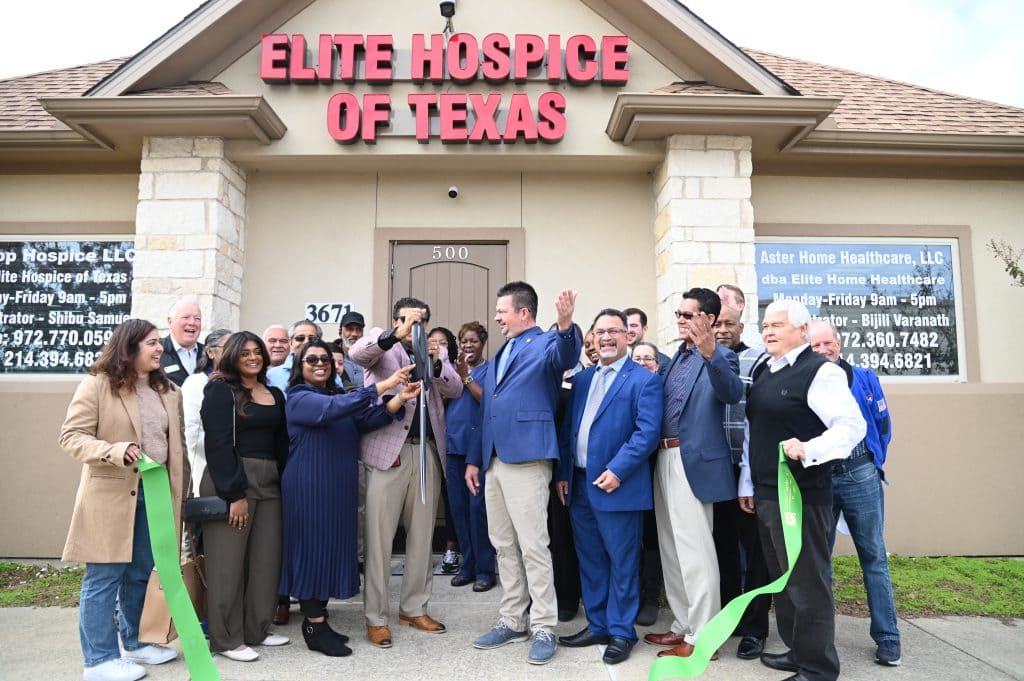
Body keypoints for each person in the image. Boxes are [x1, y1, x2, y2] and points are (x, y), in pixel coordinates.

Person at [739, 299, 866, 681]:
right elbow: (753, 433)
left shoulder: (820, 372)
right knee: (782, 579)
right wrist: (748, 482)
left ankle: (818, 667)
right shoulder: (765, 371)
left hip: (803, 495)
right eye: (765, 324)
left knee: (808, 580)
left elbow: (850, 426)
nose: (768, 331)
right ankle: (798, 651)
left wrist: (810, 450)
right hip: (766, 494)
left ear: (803, 329)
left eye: (778, 324)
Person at [59, 318, 187, 681]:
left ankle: (133, 642)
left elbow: (176, 450)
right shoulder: (97, 385)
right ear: (129, 348)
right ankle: (98, 660)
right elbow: (72, 436)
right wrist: (115, 450)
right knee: (104, 576)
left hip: (157, 494)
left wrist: (183, 494)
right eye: (151, 343)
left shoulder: (169, 391)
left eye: (158, 342)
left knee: (141, 574)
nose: (159, 348)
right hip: (112, 495)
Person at [466, 281, 582, 666]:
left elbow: (566, 354)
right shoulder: (502, 350)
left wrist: (565, 325)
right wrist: (473, 459)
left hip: (529, 458)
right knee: (502, 544)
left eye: (502, 310)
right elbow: (489, 408)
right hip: (494, 461)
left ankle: (545, 625)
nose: (497, 316)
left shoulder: (547, 343)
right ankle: (512, 619)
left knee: (534, 546)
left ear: (524, 312)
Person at [280, 339, 418, 657]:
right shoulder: (299, 397)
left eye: (325, 359)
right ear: (299, 367)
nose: (319, 363)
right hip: (310, 485)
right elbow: (333, 411)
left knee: (329, 549)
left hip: (338, 486)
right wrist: (386, 383)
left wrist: (399, 399)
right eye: (311, 359)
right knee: (314, 549)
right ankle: (313, 625)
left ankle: (321, 620)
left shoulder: (336, 395)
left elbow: (366, 420)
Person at [348, 298, 463, 649]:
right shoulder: (381, 343)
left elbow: (454, 388)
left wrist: (435, 360)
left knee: (422, 535)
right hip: (388, 453)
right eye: (409, 319)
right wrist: (393, 335)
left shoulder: (432, 349)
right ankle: (376, 618)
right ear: (396, 318)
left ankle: (413, 607)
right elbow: (357, 354)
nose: (416, 325)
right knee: (380, 540)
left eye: (421, 320)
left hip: (426, 451)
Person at [555, 309, 663, 665]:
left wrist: (618, 470)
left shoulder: (643, 380)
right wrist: (565, 474)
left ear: (627, 337)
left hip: (618, 486)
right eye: (599, 332)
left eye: (613, 331)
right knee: (591, 559)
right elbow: (571, 431)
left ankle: (621, 631)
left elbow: (646, 433)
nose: (605, 338)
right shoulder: (583, 379)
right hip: (581, 484)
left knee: (622, 561)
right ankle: (598, 623)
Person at [645, 287, 743, 660]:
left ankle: (704, 638)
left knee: (695, 552)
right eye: (679, 314)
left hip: (694, 462)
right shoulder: (675, 360)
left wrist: (710, 352)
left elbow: (732, 392)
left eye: (688, 315)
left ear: (710, 320)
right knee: (672, 548)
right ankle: (682, 626)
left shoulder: (723, 357)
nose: (681, 320)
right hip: (664, 458)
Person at [808, 321, 901, 666]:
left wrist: (872, 463)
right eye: (814, 346)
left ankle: (889, 638)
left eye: (826, 343)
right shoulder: (807, 380)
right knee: (820, 561)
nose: (821, 351)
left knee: (874, 557)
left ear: (839, 343)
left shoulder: (864, 377)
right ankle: (820, 639)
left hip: (860, 473)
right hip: (821, 477)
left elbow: (883, 426)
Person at [200, 332, 291, 662]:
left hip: (271, 482)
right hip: (234, 480)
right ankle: (225, 639)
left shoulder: (275, 393)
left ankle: (256, 630)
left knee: (266, 562)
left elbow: (282, 444)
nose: (253, 357)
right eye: (245, 353)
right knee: (228, 564)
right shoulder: (220, 389)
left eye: (258, 352)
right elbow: (218, 444)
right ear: (232, 357)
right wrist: (234, 494)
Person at [711, 305, 773, 660]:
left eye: (728, 324)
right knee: (721, 551)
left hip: (747, 470)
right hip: (715, 472)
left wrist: (749, 475)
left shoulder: (758, 360)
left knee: (756, 554)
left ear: (741, 326)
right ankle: (729, 618)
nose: (722, 330)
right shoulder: (703, 360)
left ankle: (755, 629)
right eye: (717, 323)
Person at [447, 322, 496, 591]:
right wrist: (452, 376)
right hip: (453, 447)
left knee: (478, 511)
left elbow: (487, 401)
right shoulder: (451, 371)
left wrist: (466, 376)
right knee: (458, 510)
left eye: (473, 341)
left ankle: (485, 570)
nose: (468, 345)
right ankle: (467, 565)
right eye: (464, 340)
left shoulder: (490, 370)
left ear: (483, 343)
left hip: (476, 451)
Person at [630, 339, 665, 627]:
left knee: (652, 537)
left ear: (658, 365)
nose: (642, 363)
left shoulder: (663, 389)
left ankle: (651, 597)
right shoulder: (625, 388)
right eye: (637, 358)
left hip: (658, 468)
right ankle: (632, 595)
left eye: (648, 359)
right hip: (629, 471)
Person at [429, 326, 464, 575]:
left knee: (455, 499)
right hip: (433, 440)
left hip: (458, 443)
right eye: (433, 342)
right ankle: (444, 547)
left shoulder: (455, 370)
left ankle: (455, 546)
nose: (438, 346)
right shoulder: (425, 368)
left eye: (443, 342)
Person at [182, 328, 232, 498]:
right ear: (210, 352)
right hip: (206, 467)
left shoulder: (243, 384)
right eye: (228, 347)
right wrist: (230, 448)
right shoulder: (195, 383)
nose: (234, 352)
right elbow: (191, 433)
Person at [266, 320, 323, 393]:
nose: (306, 342)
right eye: (300, 338)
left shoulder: (329, 374)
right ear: (291, 343)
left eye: (312, 338)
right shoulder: (272, 375)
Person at [161, 298, 203, 386]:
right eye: (185, 317)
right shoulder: (157, 351)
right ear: (170, 321)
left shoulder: (208, 353)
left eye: (197, 318)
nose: (192, 322)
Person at [623, 307, 671, 372]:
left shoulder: (663, 362)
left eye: (633, 325)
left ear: (644, 329)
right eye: (625, 326)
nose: (628, 330)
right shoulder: (612, 360)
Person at [716, 284, 763, 349]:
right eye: (718, 301)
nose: (721, 305)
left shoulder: (754, 342)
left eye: (725, 300)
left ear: (740, 306)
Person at [339, 311, 366, 386]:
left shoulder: (371, 357)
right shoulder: (330, 356)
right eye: (349, 329)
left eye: (359, 329)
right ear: (340, 331)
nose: (354, 334)